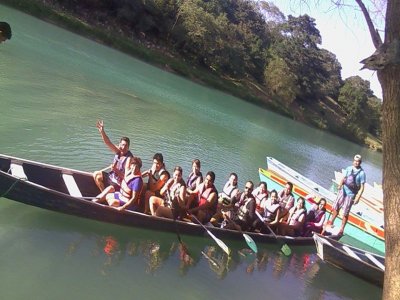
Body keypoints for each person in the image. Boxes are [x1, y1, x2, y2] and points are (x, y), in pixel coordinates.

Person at [324, 154, 366, 235]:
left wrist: (358, 198)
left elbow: (362, 187)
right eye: (355, 161)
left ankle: (342, 228)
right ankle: (331, 221)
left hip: (351, 194)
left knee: (345, 212)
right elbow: (344, 178)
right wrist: (340, 185)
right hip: (343, 190)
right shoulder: (349, 168)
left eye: (358, 162)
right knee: (336, 207)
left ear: (360, 162)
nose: (356, 163)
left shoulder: (362, 173)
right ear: (353, 161)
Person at [93, 120, 133, 192]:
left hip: (118, 183)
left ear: (129, 147)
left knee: (103, 182)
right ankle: (104, 195)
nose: (124, 147)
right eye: (122, 145)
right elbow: (108, 142)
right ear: (119, 144)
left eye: (126, 146)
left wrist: (115, 170)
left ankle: (104, 197)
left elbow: (127, 178)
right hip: (111, 177)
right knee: (96, 174)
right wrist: (102, 132)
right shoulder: (118, 151)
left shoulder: (129, 159)